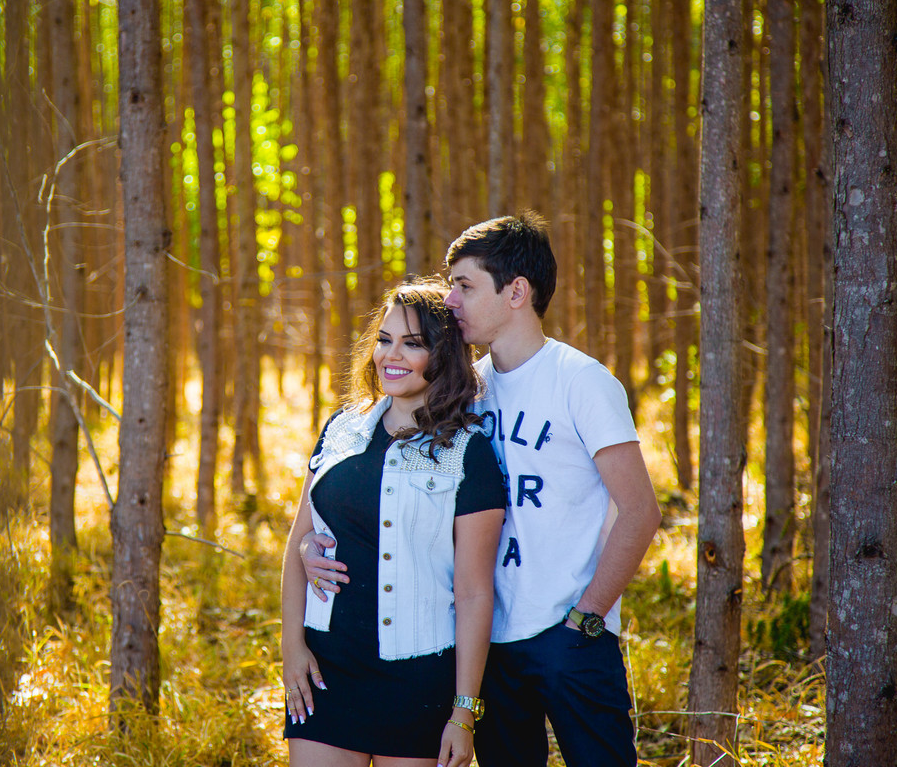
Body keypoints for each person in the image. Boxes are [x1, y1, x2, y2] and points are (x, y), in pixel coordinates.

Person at [302, 213, 662, 767]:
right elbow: (391, 490)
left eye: (465, 286)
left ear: (516, 291)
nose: (450, 300)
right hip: (487, 643)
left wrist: (587, 617)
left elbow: (639, 511)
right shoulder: (467, 388)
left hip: (569, 636)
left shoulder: (581, 380)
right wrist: (312, 547)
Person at [280, 279, 507, 767]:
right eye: (384, 339)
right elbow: (300, 540)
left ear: (443, 354)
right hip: (326, 671)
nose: (391, 355)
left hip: (418, 682)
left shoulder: (468, 453)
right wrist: (292, 648)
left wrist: (463, 712)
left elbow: (473, 593)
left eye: (413, 343)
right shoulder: (341, 427)